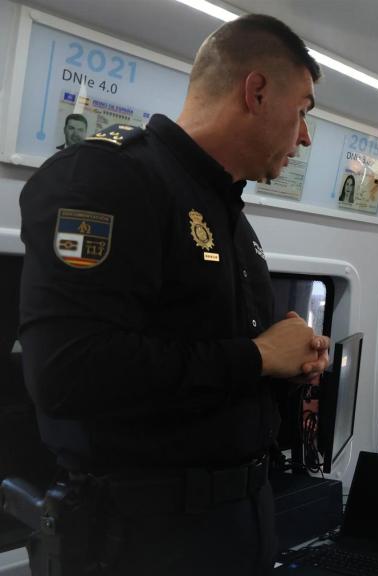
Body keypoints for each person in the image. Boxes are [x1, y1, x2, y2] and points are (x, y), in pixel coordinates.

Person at [19, 15, 328, 575]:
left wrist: (286, 365)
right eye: (303, 111)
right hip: (145, 540)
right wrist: (258, 356)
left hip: (237, 524)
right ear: (255, 91)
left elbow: (211, 368)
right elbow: (68, 371)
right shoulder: (106, 178)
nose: (305, 136)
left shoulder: (233, 221)